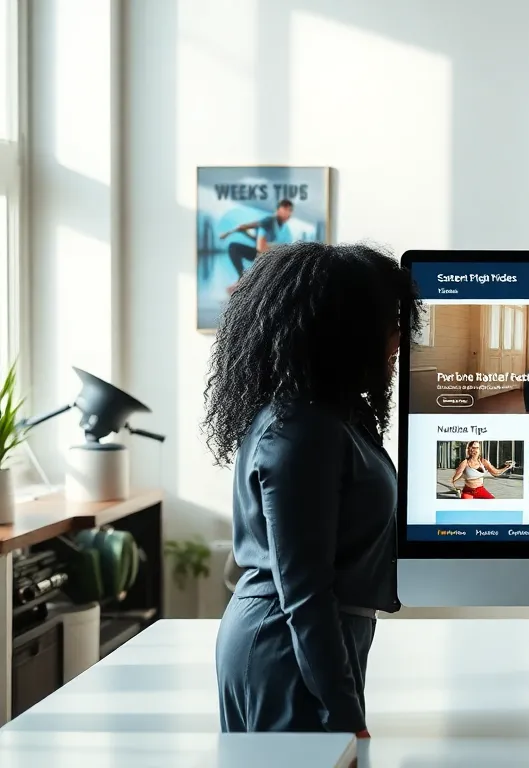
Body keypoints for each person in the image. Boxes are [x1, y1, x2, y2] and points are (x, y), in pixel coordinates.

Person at [203, 241, 419, 738]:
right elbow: (305, 594)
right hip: (285, 651)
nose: (400, 336)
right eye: (391, 321)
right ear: (348, 330)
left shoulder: (332, 414)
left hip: (309, 645)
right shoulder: (300, 430)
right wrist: (345, 713)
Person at [219, 199, 294, 295]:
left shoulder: (279, 226)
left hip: (269, 258)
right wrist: (246, 229)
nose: (289, 213)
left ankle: (243, 281)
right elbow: (260, 247)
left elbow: (262, 241)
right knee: (233, 247)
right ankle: (241, 278)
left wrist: (246, 232)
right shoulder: (269, 221)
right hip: (264, 257)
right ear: (278, 210)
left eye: (290, 210)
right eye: (286, 210)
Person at [450, 440, 515, 499]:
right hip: (468, 491)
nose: (474, 450)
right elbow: (454, 479)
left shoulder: (483, 461)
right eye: (472, 447)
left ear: (480, 450)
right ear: (469, 449)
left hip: (480, 490)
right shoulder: (465, 463)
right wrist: (457, 488)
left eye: (477, 448)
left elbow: (495, 472)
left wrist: (506, 467)